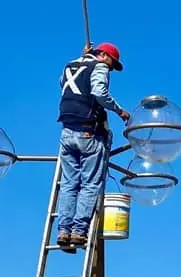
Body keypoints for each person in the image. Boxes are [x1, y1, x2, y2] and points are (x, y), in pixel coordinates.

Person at [54, 41, 132, 252]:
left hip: (67, 131)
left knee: (70, 183)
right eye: (112, 64)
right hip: (88, 131)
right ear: (105, 56)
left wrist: (83, 57)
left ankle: (63, 230)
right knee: (90, 183)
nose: (110, 69)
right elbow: (98, 92)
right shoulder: (99, 66)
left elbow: (63, 84)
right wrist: (119, 111)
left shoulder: (70, 65)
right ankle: (79, 232)